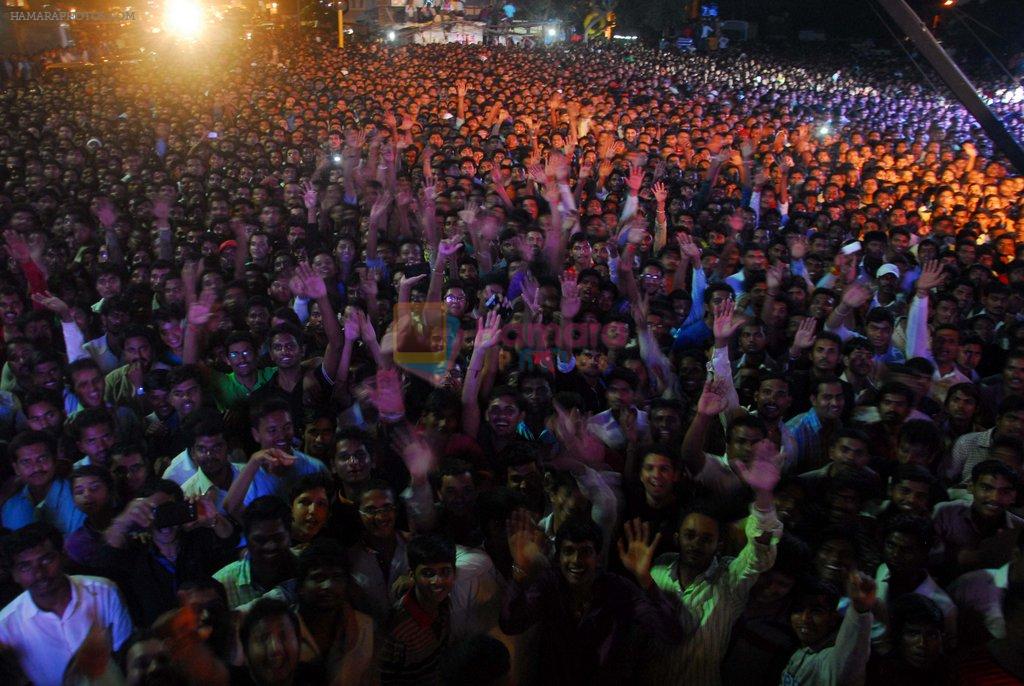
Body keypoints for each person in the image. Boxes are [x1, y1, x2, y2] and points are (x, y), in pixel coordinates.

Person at [500, 516, 686, 685]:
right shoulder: (550, 585)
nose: (576, 560)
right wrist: (519, 570)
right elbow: (511, 623)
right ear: (559, 557)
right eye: (569, 551)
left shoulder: (618, 589)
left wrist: (645, 578)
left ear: (597, 557)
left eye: (585, 552)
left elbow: (671, 633)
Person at [0, 522, 133, 686]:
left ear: (63, 556)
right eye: (25, 567)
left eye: (46, 560)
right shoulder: (5, 626)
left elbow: (128, 657)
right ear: (14, 575)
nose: (39, 573)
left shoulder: (105, 593)